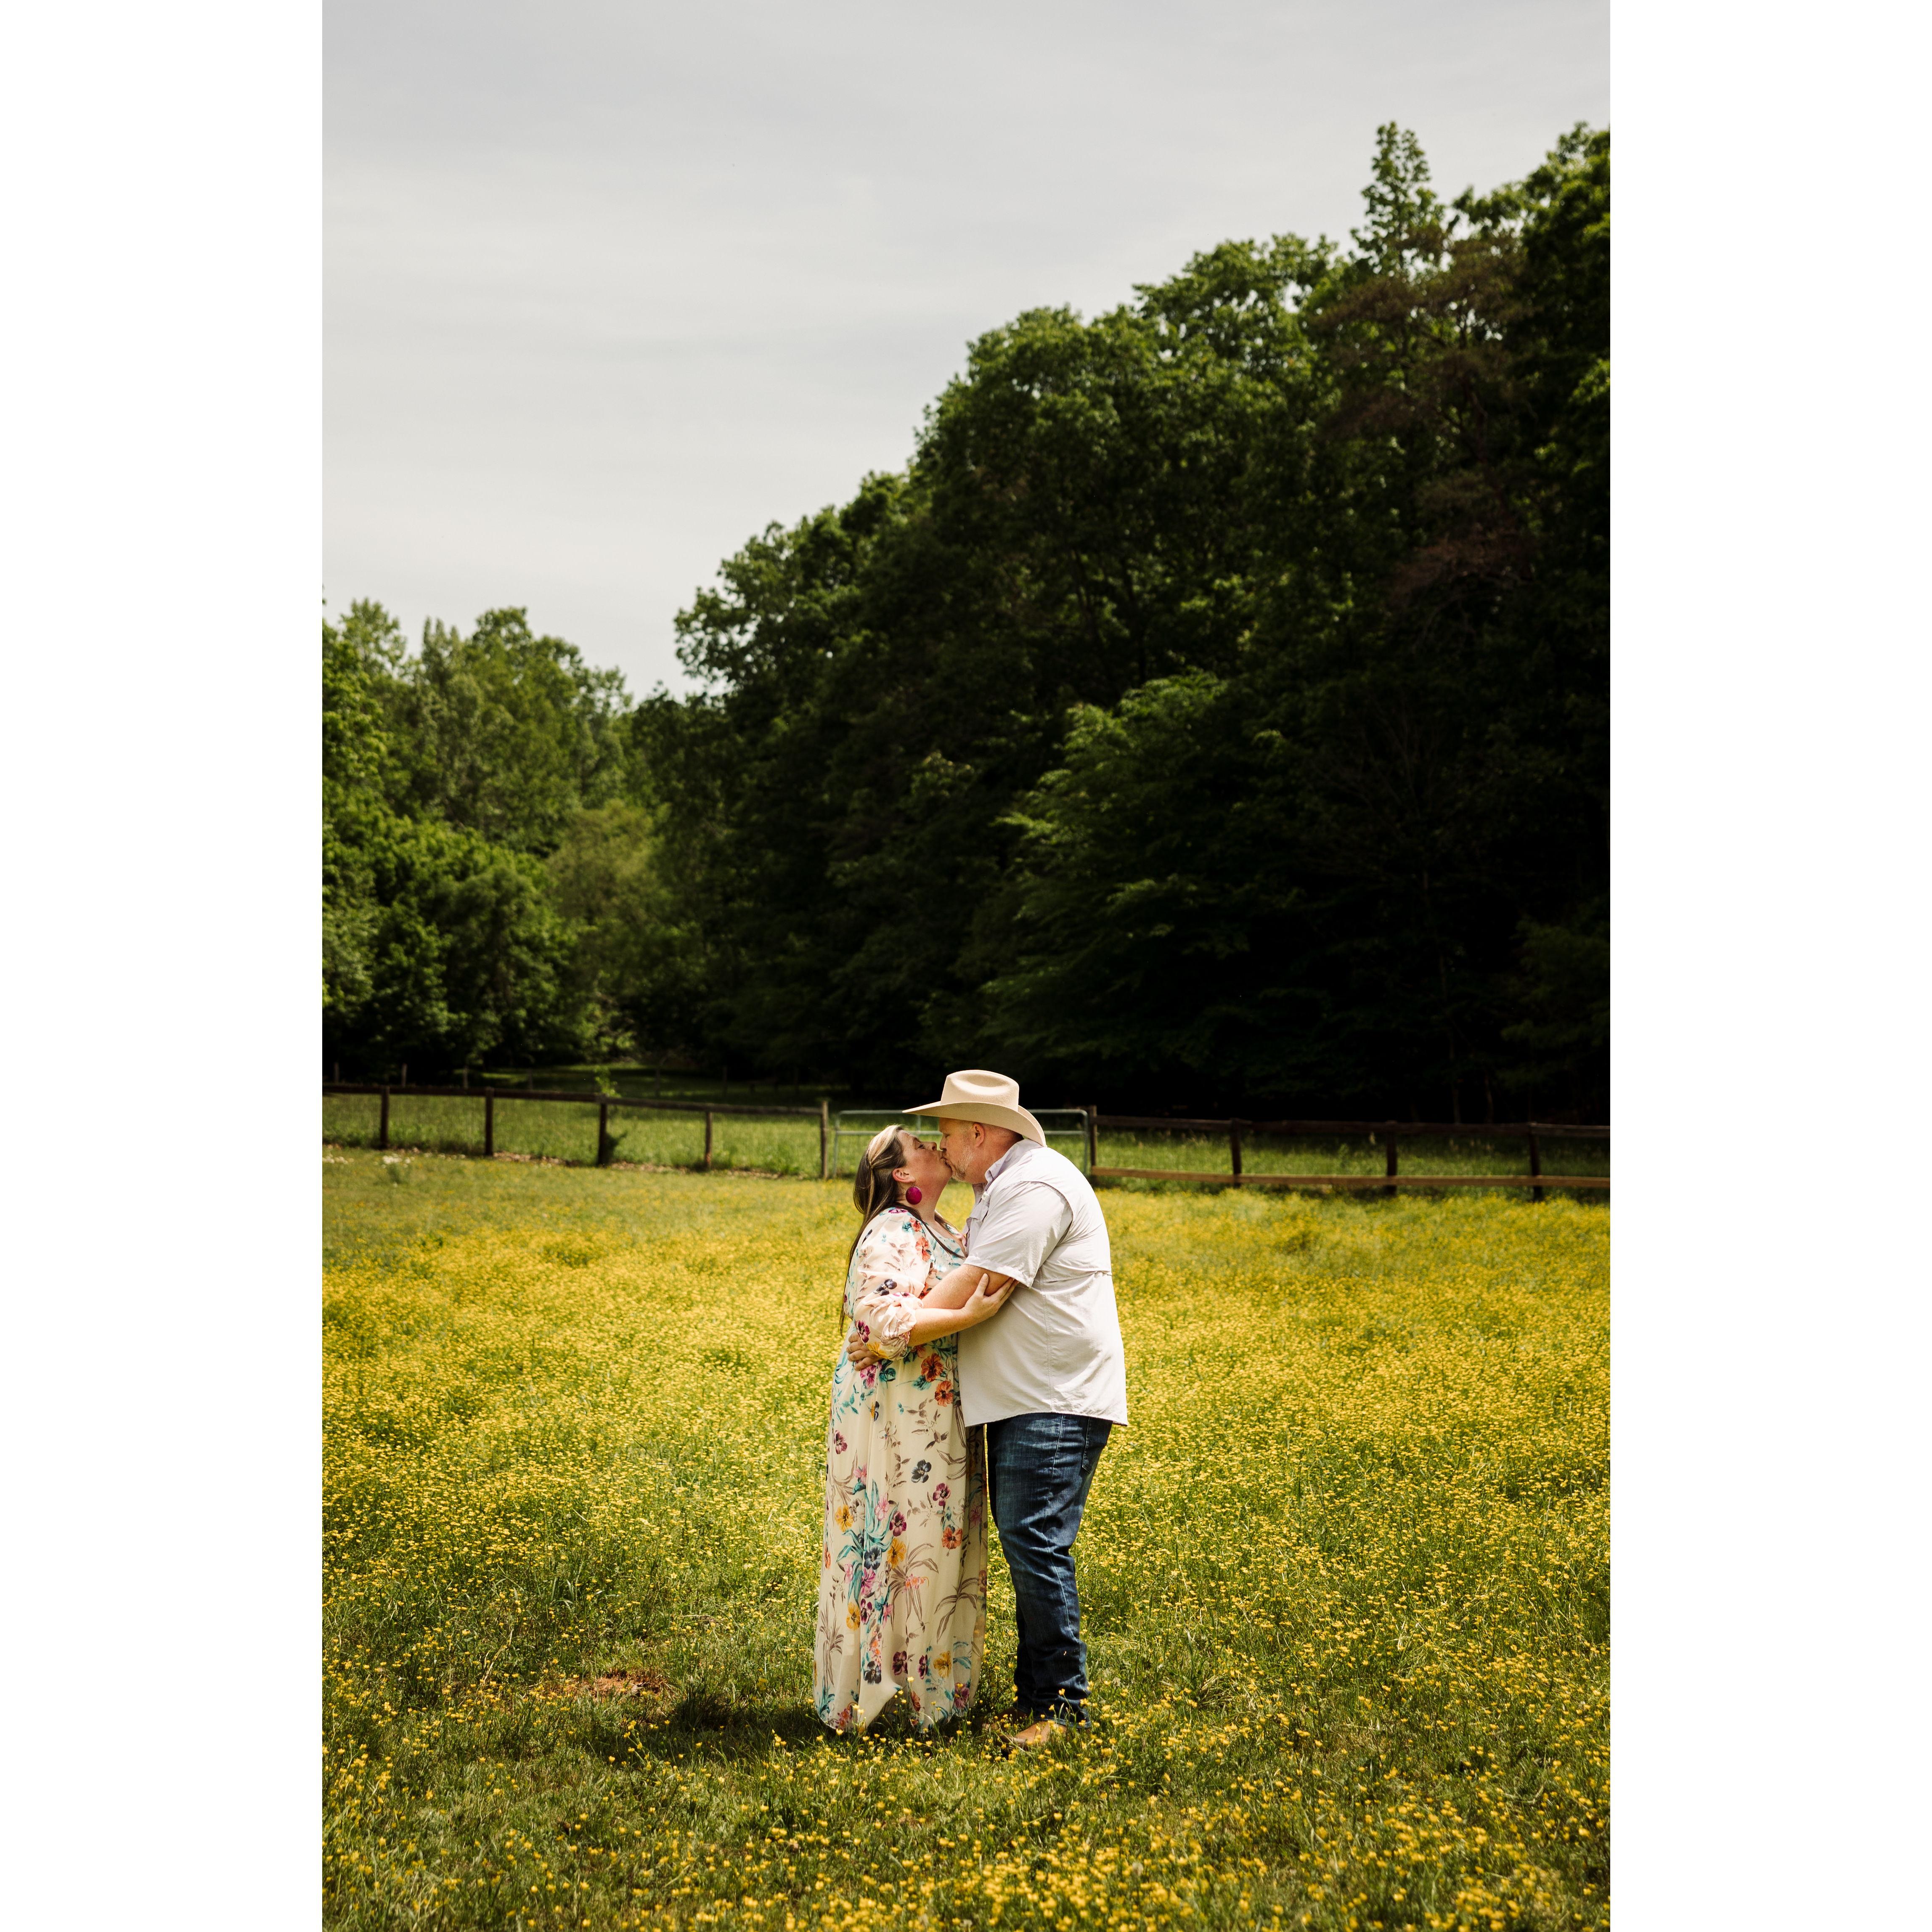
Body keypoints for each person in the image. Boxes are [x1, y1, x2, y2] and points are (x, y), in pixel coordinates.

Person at [849, 1070, 1127, 1748]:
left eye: (947, 1135)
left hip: (1049, 1396)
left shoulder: (1033, 1188)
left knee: (1034, 1541)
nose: (944, 1149)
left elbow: (973, 1286)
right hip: (1024, 1396)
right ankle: (1037, 1698)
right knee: (1028, 1540)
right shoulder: (1003, 1190)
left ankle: (1061, 1707)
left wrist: (891, 1328)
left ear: (978, 1133)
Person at [814, 1124, 1015, 1733]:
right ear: (900, 1173)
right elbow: (880, 1320)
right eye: (919, 1144)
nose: (935, 1144)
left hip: (935, 1407)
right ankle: (874, 1692)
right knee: (891, 1541)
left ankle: (932, 1687)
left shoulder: (947, 1227)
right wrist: (967, 1314)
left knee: (936, 1539)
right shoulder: (891, 1229)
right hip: (891, 1410)